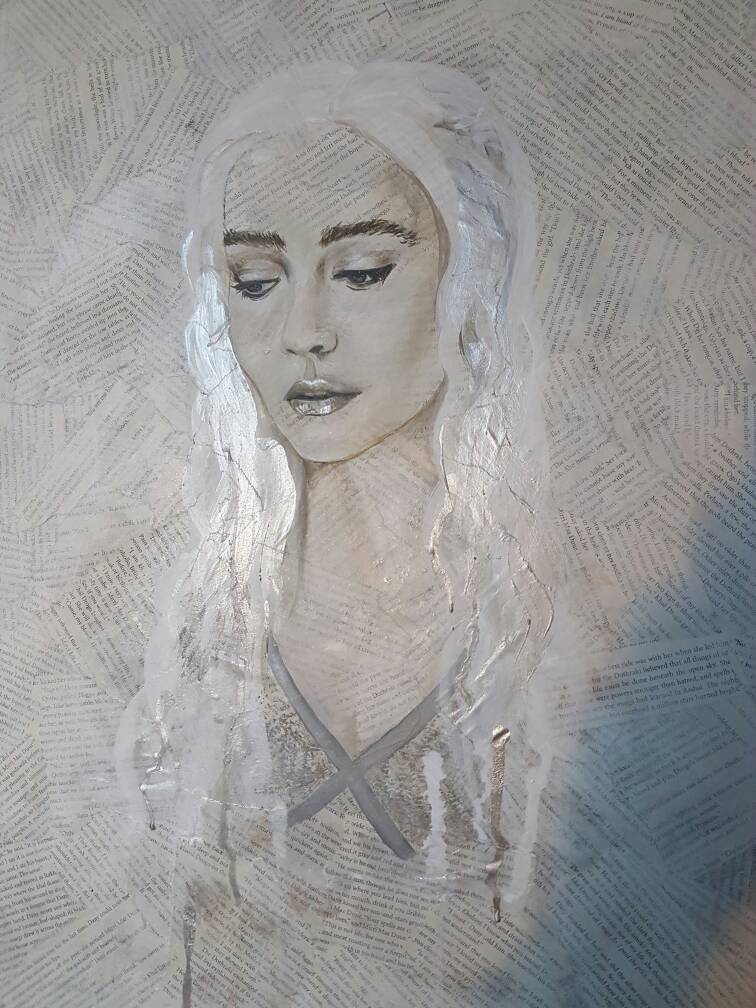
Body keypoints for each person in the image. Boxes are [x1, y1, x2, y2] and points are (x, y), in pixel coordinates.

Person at [116, 60, 555, 916]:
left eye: (360, 272)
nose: (303, 332)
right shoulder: (198, 645)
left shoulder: (545, 633)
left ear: (468, 272)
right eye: (255, 282)